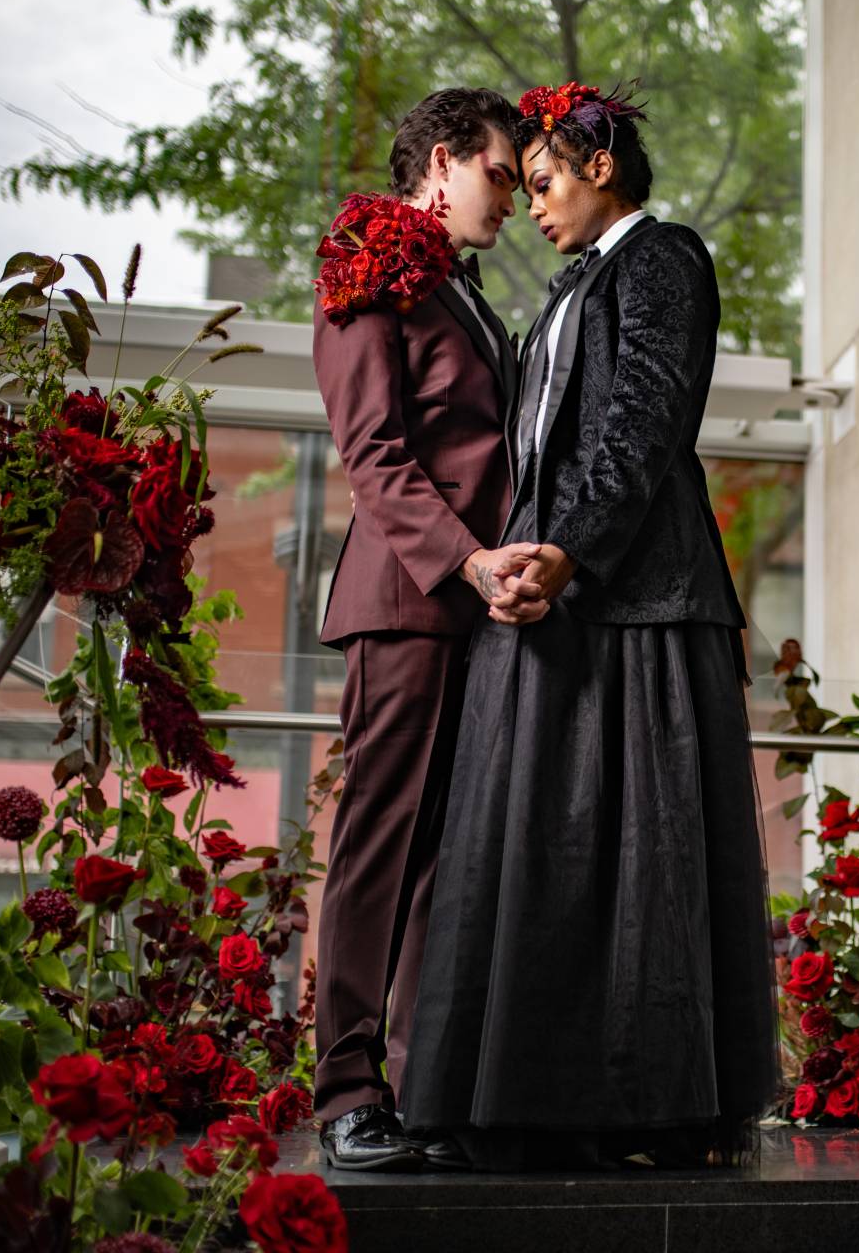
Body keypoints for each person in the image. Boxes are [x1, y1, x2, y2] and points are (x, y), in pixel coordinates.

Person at [400, 81, 778, 1170]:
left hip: (638, 602)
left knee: (637, 861)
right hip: (556, 593)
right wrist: (521, 560)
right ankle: (520, 1100)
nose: (533, 202)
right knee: (544, 856)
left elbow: (645, 420)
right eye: (520, 183)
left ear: (598, 165)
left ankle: (639, 1109)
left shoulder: (663, 259)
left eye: (545, 179)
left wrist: (567, 552)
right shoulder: (569, 288)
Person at [310, 87, 546, 1172]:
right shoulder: (369, 259)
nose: (516, 194)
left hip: (477, 614)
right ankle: (348, 1092)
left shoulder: (460, 290)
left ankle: (416, 1089)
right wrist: (462, 557)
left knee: (443, 858)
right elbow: (374, 453)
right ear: (442, 162)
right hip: (405, 604)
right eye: (504, 171)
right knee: (379, 847)